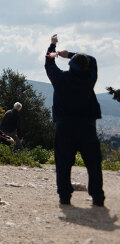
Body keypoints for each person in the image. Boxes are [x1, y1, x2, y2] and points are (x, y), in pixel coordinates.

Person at [45, 34, 104, 207]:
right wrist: (69, 54)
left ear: (70, 66)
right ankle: (98, 198)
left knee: (63, 163)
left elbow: (48, 62)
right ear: (86, 68)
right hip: (87, 126)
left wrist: (53, 47)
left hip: (65, 127)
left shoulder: (60, 79)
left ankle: (64, 197)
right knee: (93, 164)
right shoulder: (89, 79)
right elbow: (91, 59)